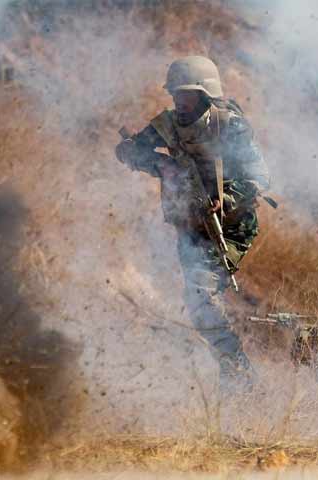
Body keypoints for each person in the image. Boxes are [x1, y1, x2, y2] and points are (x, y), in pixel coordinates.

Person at [115, 56, 270, 390]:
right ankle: (238, 373)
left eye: (185, 94)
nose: (178, 101)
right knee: (198, 303)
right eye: (174, 93)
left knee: (202, 295)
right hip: (190, 225)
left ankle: (239, 376)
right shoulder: (168, 123)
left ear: (204, 94)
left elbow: (258, 178)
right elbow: (128, 151)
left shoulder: (228, 125)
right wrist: (159, 164)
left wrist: (224, 200)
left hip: (230, 225)